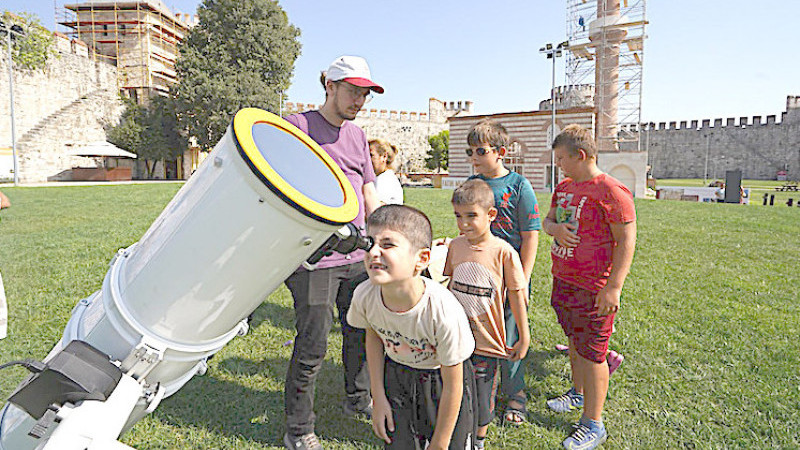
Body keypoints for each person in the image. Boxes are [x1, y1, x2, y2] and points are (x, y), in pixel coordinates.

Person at [281, 55, 382, 450]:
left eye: (365, 94)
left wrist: (381, 234)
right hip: (314, 258)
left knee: (358, 332)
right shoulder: (297, 127)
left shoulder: (358, 136)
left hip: (356, 254)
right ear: (329, 86)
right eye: (353, 91)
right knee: (313, 343)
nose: (359, 100)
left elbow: (368, 189)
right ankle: (299, 429)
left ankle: (358, 399)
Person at [347, 204, 477, 449]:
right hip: (396, 376)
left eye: (387, 245)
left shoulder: (442, 310)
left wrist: (440, 443)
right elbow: (373, 335)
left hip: (442, 383)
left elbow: (454, 384)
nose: (374, 252)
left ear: (422, 259)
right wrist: (378, 397)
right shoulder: (365, 295)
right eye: (370, 243)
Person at [543, 124, 637, 450]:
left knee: (594, 353)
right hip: (564, 280)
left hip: (594, 288)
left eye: (561, 159)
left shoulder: (611, 191)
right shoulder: (565, 187)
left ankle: (593, 423)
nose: (558, 166)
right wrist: (555, 229)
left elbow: (626, 241)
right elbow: (547, 222)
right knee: (574, 341)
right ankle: (577, 392)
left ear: (579, 155)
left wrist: (613, 287)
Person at [443, 179, 530, 449]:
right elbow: (449, 284)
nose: (464, 223)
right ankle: (456, 432)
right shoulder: (455, 246)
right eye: (458, 216)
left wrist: (523, 336)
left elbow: (516, 295)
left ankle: (478, 440)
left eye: (471, 216)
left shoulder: (504, 252)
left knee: (482, 397)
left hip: (487, 342)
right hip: (456, 339)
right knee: (455, 390)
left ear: (491, 215)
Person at [466, 119, 540, 425]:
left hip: (512, 278)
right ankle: (483, 390)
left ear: (501, 152)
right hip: (480, 277)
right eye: (470, 151)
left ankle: (515, 392)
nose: (474, 156)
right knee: (480, 334)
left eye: (480, 150)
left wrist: (520, 279)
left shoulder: (519, 185)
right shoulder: (473, 185)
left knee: (511, 335)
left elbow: (531, 234)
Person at [369, 139, 403, 205]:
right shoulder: (381, 177)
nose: (367, 159)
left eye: (371, 155)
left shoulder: (386, 180)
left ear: (384, 157)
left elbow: (376, 207)